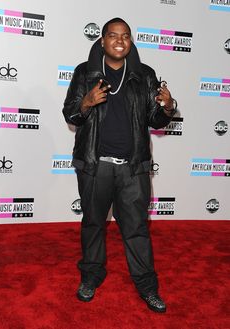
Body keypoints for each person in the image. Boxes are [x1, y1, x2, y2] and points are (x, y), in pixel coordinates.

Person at [62, 17, 177, 313]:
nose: (119, 40)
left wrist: (167, 107)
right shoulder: (84, 73)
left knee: (137, 229)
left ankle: (147, 287)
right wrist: (85, 102)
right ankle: (91, 276)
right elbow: (71, 115)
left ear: (130, 41)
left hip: (132, 168)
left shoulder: (145, 75)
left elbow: (156, 120)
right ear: (102, 41)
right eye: (113, 35)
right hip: (95, 165)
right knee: (93, 225)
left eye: (125, 36)